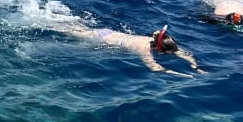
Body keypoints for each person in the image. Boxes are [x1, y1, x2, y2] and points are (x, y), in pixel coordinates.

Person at [53, 21, 204, 77]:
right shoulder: (143, 50)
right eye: (170, 52)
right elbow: (154, 68)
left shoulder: (154, 40)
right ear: (161, 49)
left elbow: (181, 53)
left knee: (73, 27)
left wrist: (195, 66)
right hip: (101, 38)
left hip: (107, 32)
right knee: (62, 30)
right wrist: (181, 75)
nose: (173, 53)